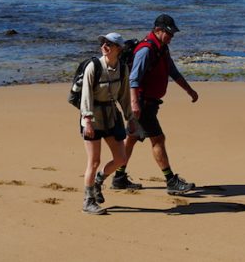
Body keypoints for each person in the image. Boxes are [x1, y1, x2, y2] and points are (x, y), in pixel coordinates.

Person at [121, 14, 199, 195]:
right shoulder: (146, 50)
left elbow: (173, 71)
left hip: (148, 103)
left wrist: (189, 90)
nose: (171, 37)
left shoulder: (162, 48)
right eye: (169, 33)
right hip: (142, 104)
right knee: (158, 139)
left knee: (131, 138)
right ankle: (171, 181)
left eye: (172, 34)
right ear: (157, 30)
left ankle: (118, 177)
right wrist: (134, 104)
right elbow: (133, 78)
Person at [79, 32, 135, 215]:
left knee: (121, 159)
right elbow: (85, 96)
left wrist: (130, 118)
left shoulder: (122, 68)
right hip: (93, 118)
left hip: (112, 117)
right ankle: (88, 201)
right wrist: (87, 120)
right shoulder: (93, 67)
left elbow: (125, 96)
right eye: (103, 42)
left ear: (119, 48)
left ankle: (98, 181)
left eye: (109, 43)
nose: (104, 45)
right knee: (94, 161)